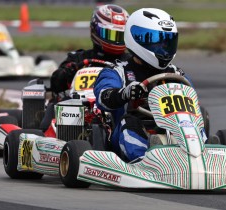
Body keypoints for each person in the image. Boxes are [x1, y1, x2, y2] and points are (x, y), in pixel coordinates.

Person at [94, 8, 196, 163]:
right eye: (157, 41)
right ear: (138, 39)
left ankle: (196, 156)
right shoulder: (117, 70)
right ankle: (143, 160)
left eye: (168, 41)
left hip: (173, 129)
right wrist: (125, 93)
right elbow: (103, 97)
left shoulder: (176, 74)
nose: (164, 47)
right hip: (130, 130)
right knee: (128, 122)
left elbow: (193, 102)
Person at [40, 4, 130, 131]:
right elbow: (56, 84)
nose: (116, 41)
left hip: (114, 104)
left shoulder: (129, 61)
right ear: (95, 30)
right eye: (111, 35)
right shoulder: (79, 58)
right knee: (56, 105)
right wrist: (69, 70)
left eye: (120, 36)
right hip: (80, 103)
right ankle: (48, 133)